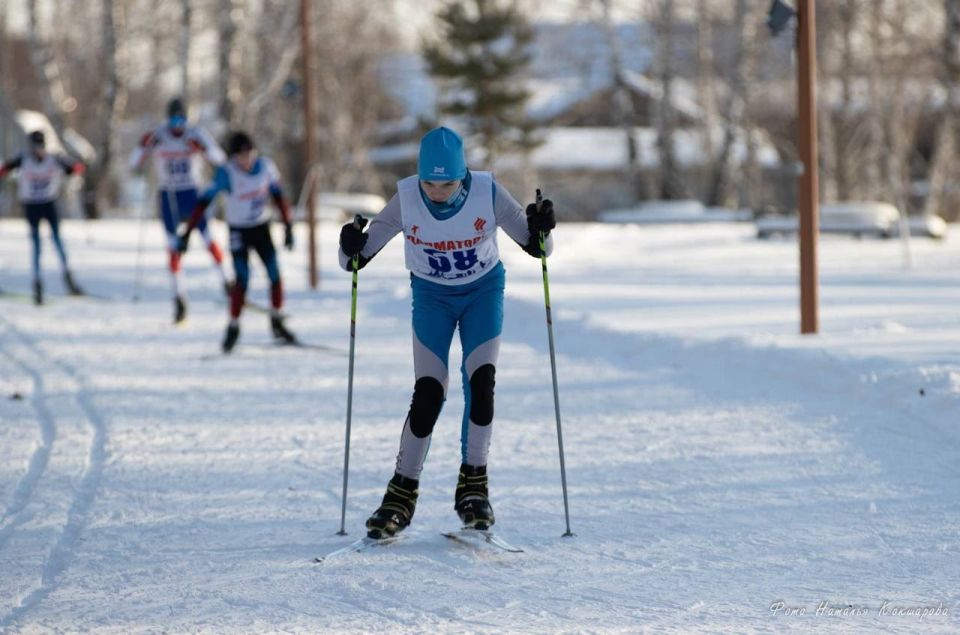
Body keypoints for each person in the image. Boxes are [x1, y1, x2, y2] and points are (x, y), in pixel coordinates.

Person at [338, 126, 556, 538]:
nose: (437, 192)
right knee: (428, 392)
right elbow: (357, 258)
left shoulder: (488, 192)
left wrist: (543, 225)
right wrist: (348, 244)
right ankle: (401, 493)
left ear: (463, 176)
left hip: (481, 292)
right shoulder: (406, 198)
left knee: (481, 383)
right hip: (433, 297)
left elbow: (537, 246)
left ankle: (474, 484)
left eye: (448, 183)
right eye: (429, 183)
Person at [178, 130, 296, 353]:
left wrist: (288, 226)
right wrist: (187, 232)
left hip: (261, 228)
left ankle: (277, 321)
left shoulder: (266, 167)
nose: (247, 159)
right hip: (239, 231)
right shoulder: (227, 173)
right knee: (242, 279)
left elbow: (279, 197)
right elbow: (203, 202)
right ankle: (233, 327)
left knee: (275, 274)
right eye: (242, 155)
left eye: (250, 153)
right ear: (234, 156)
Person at [130, 97, 228, 324]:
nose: (177, 125)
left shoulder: (196, 133)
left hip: (191, 193)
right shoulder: (159, 135)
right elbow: (134, 162)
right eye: (173, 119)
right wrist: (144, 146)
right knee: (173, 247)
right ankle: (179, 297)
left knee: (207, 238)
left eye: (181, 119)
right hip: (168, 194)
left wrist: (202, 149)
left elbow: (220, 159)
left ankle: (226, 281)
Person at [0, 130, 86, 305]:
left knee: (57, 240)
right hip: (31, 205)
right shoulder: (23, 158)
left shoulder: (54, 158)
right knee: (36, 245)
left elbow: (77, 168)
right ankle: (37, 282)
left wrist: (74, 167)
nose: (38, 150)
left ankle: (68, 277)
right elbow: (4, 169)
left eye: (40, 146)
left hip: (48, 204)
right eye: (35, 147)